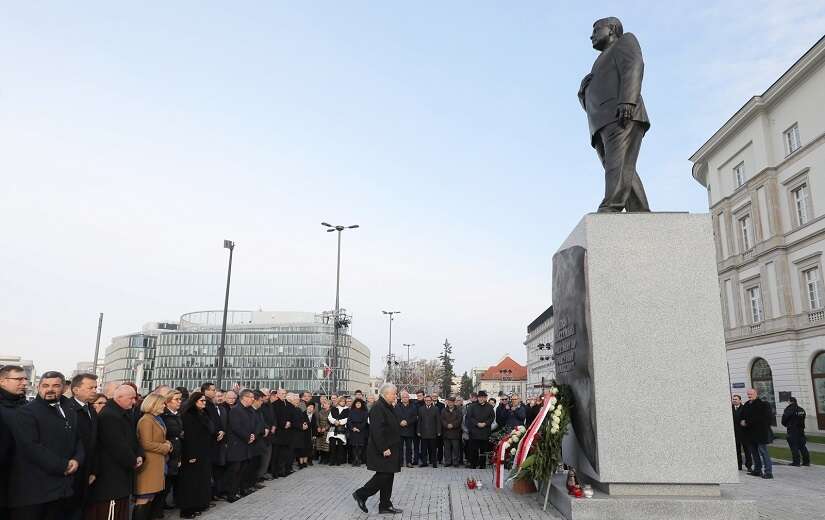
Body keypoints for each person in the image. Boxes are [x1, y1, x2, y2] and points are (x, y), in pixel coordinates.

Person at [577, 16, 651, 213]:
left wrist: (628, 100)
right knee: (622, 167)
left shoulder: (625, 42)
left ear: (611, 29)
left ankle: (612, 205)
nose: (591, 36)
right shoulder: (599, 61)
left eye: (596, 30)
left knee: (617, 165)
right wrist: (584, 91)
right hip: (601, 121)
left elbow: (634, 65)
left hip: (621, 114)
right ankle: (639, 211)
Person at [7, 371, 83, 520]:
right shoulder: (26, 412)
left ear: (64, 388)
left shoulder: (70, 410)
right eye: (45, 385)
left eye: (55, 385)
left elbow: (78, 439)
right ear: (38, 387)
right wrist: (64, 466)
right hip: (35, 492)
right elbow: (31, 447)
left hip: (62, 490)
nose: (50, 389)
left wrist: (77, 460)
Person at [86, 384, 142, 520]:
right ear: (119, 397)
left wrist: (139, 455)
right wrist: (133, 460)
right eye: (131, 398)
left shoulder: (122, 413)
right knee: (111, 512)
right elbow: (117, 445)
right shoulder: (109, 415)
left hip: (120, 476)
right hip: (111, 478)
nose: (134, 402)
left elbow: (133, 439)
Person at [352, 383, 402, 515]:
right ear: (385, 394)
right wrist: (384, 448)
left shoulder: (388, 406)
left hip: (391, 447)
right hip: (383, 449)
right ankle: (361, 494)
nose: (395, 396)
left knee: (388, 475)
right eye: (393, 394)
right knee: (384, 475)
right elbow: (377, 431)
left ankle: (385, 505)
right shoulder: (378, 408)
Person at [66, 373, 99, 520]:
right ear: (76, 390)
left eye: (96, 387)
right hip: (72, 471)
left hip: (88, 470)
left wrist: (93, 470)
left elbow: (95, 442)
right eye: (90, 387)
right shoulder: (66, 410)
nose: (94, 391)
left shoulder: (91, 409)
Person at [134, 394, 173, 520]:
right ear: (153, 404)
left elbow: (160, 438)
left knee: (150, 497)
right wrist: (165, 447)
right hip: (149, 464)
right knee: (144, 497)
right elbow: (146, 443)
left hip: (156, 463)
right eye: (162, 404)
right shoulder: (146, 420)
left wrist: (167, 444)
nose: (164, 406)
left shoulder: (156, 419)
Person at [177, 392, 214, 519]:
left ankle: (199, 504)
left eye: (205, 401)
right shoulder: (188, 415)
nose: (204, 403)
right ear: (194, 401)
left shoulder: (204, 413)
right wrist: (190, 455)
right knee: (190, 482)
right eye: (201, 401)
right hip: (192, 452)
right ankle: (187, 508)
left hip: (204, 451)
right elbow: (189, 437)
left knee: (201, 480)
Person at [0, 364, 29, 518]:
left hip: (23, 485)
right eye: (18, 379)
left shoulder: (26, 406)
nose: (24, 382)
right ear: (2, 381)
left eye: (25, 379)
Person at [152, 390, 183, 517]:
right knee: (164, 483)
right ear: (168, 401)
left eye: (180, 399)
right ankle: (157, 510)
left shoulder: (178, 415)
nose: (180, 402)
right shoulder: (164, 416)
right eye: (177, 399)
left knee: (170, 482)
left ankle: (162, 506)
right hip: (168, 452)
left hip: (176, 451)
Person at [225, 389, 257, 502]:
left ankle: (241, 489)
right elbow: (236, 427)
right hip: (237, 445)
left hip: (247, 445)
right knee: (235, 471)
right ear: (244, 397)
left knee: (243, 469)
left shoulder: (251, 411)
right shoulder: (235, 410)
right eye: (251, 397)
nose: (253, 399)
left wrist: (253, 435)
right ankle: (231, 494)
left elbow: (254, 425)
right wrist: (248, 437)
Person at [740, 388, 774, 479]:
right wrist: (742, 420)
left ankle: (768, 472)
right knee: (754, 453)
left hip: (760, 433)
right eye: (748, 394)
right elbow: (742, 415)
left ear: (756, 394)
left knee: (763, 452)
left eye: (751, 394)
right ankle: (757, 470)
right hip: (750, 433)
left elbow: (762, 418)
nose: (749, 395)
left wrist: (747, 422)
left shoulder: (762, 404)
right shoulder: (747, 404)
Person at [204, 384, 228, 500]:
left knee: (219, 469)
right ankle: (210, 494)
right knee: (211, 471)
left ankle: (217, 492)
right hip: (211, 443)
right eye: (215, 393)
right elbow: (209, 423)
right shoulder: (207, 407)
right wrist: (216, 432)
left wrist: (222, 431)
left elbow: (224, 424)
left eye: (220, 395)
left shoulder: (222, 409)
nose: (218, 397)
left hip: (220, 442)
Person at [466, 390, 495, 469]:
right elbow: (469, 417)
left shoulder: (489, 407)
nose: (481, 399)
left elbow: (492, 417)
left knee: (483, 450)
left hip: (485, 432)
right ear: (478, 398)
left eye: (483, 397)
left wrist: (485, 423)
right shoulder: (472, 406)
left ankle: (482, 465)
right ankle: (473, 464)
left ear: (486, 398)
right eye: (480, 397)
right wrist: (477, 423)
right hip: (474, 431)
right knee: (473, 450)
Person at [781, 397, 810, 467]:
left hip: (792, 430)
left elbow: (784, 420)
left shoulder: (788, 409)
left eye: (788, 401)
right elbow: (803, 418)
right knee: (802, 446)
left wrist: (787, 425)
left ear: (790, 402)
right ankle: (806, 462)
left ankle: (796, 462)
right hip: (801, 430)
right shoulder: (801, 409)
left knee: (794, 446)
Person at [394, 391, 418, 469]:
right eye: (403, 397)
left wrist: (407, 422)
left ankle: (409, 462)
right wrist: (400, 422)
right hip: (400, 430)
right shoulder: (397, 406)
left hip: (409, 429)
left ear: (409, 398)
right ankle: (400, 462)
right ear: (401, 398)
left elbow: (414, 417)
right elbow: (395, 417)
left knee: (409, 448)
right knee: (399, 448)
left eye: (406, 397)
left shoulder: (413, 406)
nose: (405, 398)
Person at [417, 394, 441, 468]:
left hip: (433, 433)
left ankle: (434, 462)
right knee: (423, 449)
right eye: (426, 400)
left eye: (429, 400)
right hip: (423, 432)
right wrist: (418, 431)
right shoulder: (421, 409)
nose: (428, 401)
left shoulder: (436, 409)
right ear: (424, 401)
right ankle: (424, 462)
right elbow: (419, 421)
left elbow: (438, 421)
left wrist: (438, 431)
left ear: (431, 401)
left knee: (433, 449)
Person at [731, 395, 751, 472]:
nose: (734, 400)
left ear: (740, 400)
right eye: (733, 399)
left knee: (747, 450)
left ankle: (749, 466)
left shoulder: (744, 408)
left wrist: (746, 422)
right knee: (737, 450)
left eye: (736, 399)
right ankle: (739, 466)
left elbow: (748, 418)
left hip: (744, 433)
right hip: (734, 433)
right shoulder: (730, 408)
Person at [441, 396, 463, 467]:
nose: (450, 403)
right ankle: (448, 462)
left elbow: (459, 420)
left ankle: (455, 462)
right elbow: (442, 419)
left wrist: (452, 425)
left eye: (451, 402)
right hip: (446, 432)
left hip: (455, 432)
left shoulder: (458, 410)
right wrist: (447, 425)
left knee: (455, 448)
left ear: (454, 403)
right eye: (449, 402)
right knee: (446, 449)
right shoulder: (443, 410)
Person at [328, 396, 350, 466]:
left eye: (344, 401)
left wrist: (339, 422)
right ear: (338, 401)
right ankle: (332, 460)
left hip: (341, 429)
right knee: (332, 445)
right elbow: (329, 417)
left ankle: (338, 461)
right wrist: (335, 421)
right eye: (341, 401)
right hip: (333, 429)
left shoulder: (347, 410)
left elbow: (347, 418)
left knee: (340, 446)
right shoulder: (334, 408)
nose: (342, 402)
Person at [348, 399, 369, 466]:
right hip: (353, 430)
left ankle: (358, 460)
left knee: (360, 446)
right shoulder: (351, 411)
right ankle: (355, 460)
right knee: (354, 446)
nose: (358, 405)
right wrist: (353, 428)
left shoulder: (365, 412)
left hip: (361, 430)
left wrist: (359, 428)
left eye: (359, 404)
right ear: (354, 404)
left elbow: (365, 422)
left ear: (361, 404)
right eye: (357, 403)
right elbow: (349, 421)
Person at [315, 400, 332, 464]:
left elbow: (330, 422)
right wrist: (318, 427)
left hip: (327, 430)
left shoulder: (331, 411)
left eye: (326, 403)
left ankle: (326, 459)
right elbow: (317, 420)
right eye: (324, 403)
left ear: (329, 405)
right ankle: (321, 458)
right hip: (320, 430)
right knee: (320, 445)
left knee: (326, 445)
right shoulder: (320, 411)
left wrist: (325, 428)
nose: (324, 404)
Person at [301, 402, 317, 467]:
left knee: (310, 447)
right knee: (304, 448)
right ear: (307, 407)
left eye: (312, 407)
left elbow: (314, 426)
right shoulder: (302, 414)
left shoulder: (313, 416)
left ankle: (309, 460)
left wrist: (314, 435)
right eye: (309, 407)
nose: (310, 408)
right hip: (303, 434)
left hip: (310, 433)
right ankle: (302, 462)